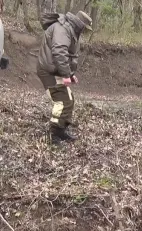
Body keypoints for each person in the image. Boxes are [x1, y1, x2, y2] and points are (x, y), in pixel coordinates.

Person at [36, 11, 93, 143]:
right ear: (81, 24)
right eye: (86, 28)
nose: (86, 31)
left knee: (69, 99)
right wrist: (66, 75)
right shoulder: (62, 29)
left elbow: (69, 56)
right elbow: (59, 52)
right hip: (48, 71)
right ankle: (53, 134)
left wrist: (71, 75)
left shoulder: (71, 30)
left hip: (56, 71)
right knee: (62, 101)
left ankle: (61, 130)